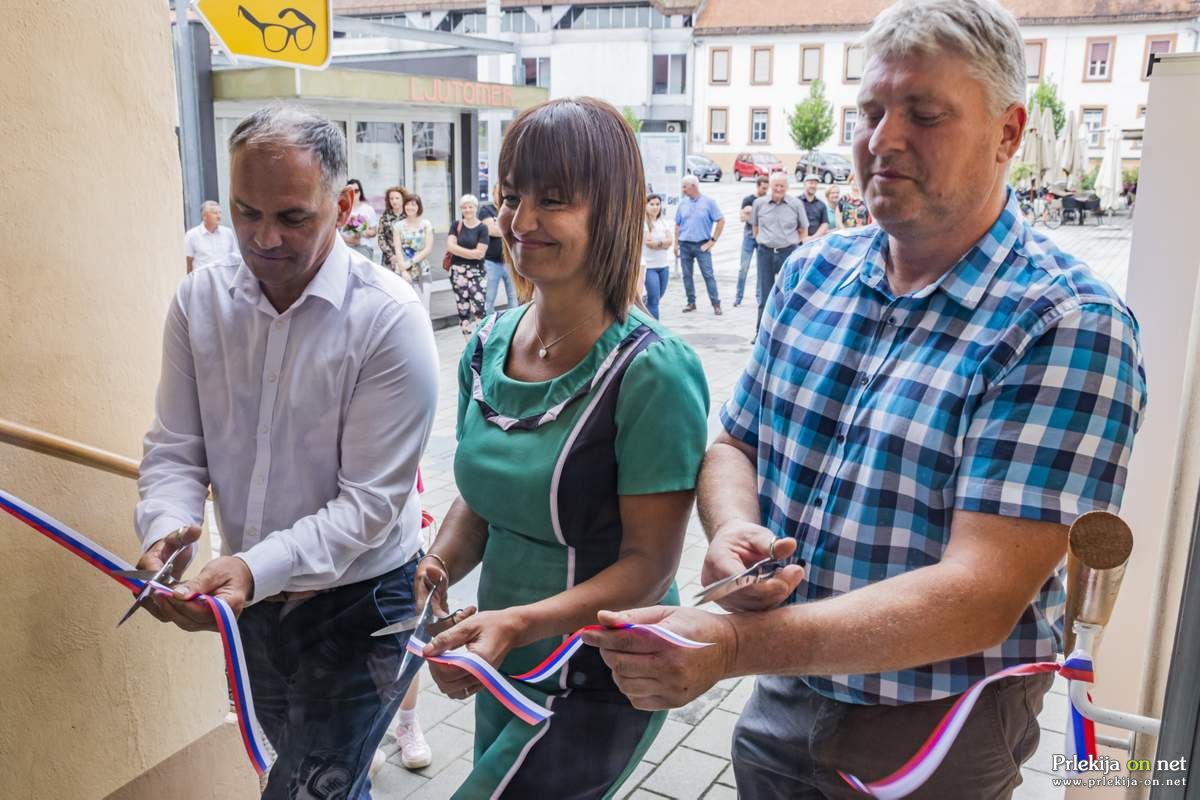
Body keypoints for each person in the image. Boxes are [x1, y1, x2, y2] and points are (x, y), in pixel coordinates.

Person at [586, 2, 1147, 798]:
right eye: (872, 111)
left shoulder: (1067, 324)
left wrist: (734, 649)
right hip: (789, 684)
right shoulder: (814, 274)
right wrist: (735, 525)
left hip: (936, 722)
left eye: (924, 114)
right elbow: (735, 445)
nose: (883, 139)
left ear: (1009, 133)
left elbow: (979, 597)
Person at [133, 105, 439, 799]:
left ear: (345, 204)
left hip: (365, 601)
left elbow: (367, 507)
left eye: (292, 217)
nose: (263, 238)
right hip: (256, 603)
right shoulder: (197, 303)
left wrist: (249, 564)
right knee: (312, 775)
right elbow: (177, 450)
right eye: (245, 212)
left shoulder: (390, 320)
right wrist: (164, 530)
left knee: (306, 790)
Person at [418, 97, 709, 799]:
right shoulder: (487, 343)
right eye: (511, 197)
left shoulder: (652, 371)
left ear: (609, 210)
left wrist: (515, 623)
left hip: (600, 666)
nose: (520, 223)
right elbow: (481, 504)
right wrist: (431, 576)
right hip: (503, 650)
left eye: (553, 200)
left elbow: (649, 566)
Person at [750, 172, 807, 332]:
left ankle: (788, 332)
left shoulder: (796, 204)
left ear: (787, 187)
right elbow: (755, 227)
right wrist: (763, 241)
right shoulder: (759, 204)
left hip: (788, 252)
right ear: (770, 186)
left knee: (790, 292)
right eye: (776, 185)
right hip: (765, 253)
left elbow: (803, 229)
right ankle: (760, 331)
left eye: (782, 186)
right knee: (765, 294)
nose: (779, 189)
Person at [674, 174, 724, 315]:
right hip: (684, 244)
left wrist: (712, 241)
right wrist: (676, 244)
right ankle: (691, 303)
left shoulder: (709, 202)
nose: (683, 189)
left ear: (694, 186)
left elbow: (721, 221)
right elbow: (677, 225)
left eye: (685, 187)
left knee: (708, 275)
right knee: (687, 275)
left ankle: (716, 304)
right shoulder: (683, 203)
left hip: (702, 245)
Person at [446, 194, 490, 337]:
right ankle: (467, 344)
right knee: (462, 308)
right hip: (457, 273)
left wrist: (459, 250)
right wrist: (472, 252)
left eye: (470, 206)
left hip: (477, 273)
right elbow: (450, 247)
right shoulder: (456, 225)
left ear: (475, 208)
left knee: (479, 308)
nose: (467, 210)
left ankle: (481, 342)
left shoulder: (482, 228)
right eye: (464, 207)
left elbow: (480, 253)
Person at [479, 183, 516, 316]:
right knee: (489, 298)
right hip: (491, 262)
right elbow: (491, 230)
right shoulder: (486, 210)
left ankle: (511, 328)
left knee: (514, 298)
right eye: (497, 192)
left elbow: (516, 229)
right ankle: (488, 329)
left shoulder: (512, 208)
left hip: (510, 262)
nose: (499, 195)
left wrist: (500, 228)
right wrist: (510, 229)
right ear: (493, 194)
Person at [393, 193, 434, 309]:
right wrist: (403, 270)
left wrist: (410, 263)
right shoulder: (398, 226)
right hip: (403, 267)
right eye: (407, 204)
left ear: (418, 207)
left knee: (424, 307)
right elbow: (398, 249)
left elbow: (428, 249)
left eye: (413, 205)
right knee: (406, 307)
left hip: (422, 268)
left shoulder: (426, 224)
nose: (410, 207)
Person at [736, 176, 770, 307]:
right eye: (763, 188)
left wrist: (751, 213)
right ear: (758, 186)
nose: (765, 191)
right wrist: (755, 217)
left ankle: (759, 298)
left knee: (761, 271)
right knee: (743, 268)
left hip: (763, 238)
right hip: (749, 237)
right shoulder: (748, 199)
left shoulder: (768, 200)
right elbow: (742, 217)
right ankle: (738, 297)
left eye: (767, 188)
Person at [183, 200, 239, 273]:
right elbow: (189, 263)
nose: (219, 216)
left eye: (220, 212)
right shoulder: (192, 235)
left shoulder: (228, 233)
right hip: (202, 281)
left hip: (225, 280)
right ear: (204, 216)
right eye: (215, 213)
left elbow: (235, 257)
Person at [642, 193, 673, 319]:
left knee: (656, 298)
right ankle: (656, 331)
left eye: (658, 204)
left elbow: (670, 241)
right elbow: (649, 243)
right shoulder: (643, 223)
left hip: (664, 267)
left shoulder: (663, 222)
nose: (655, 207)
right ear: (645, 206)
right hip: (650, 268)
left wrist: (658, 244)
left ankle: (644, 317)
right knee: (654, 301)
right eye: (652, 204)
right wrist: (663, 243)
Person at [342, 177, 379, 258]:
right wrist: (349, 240)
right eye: (351, 191)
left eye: (356, 191)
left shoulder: (368, 209)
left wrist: (362, 230)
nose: (354, 193)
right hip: (345, 247)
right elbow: (335, 233)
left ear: (360, 192)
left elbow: (374, 232)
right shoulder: (342, 209)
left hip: (364, 247)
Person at [377, 185, 410, 271]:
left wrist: (401, 256)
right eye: (391, 198)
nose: (394, 201)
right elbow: (381, 238)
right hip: (389, 259)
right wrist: (391, 256)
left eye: (397, 198)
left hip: (406, 258)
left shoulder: (409, 216)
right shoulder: (385, 217)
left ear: (403, 199)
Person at [799, 174, 832, 238]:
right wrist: (803, 238)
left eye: (815, 184)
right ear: (804, 184)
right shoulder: (796, 202)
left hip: (816, 241)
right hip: (799, 241)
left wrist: (813, 238)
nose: (813, 186)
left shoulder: (821, 205)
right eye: (811, 183)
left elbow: (825, 224)